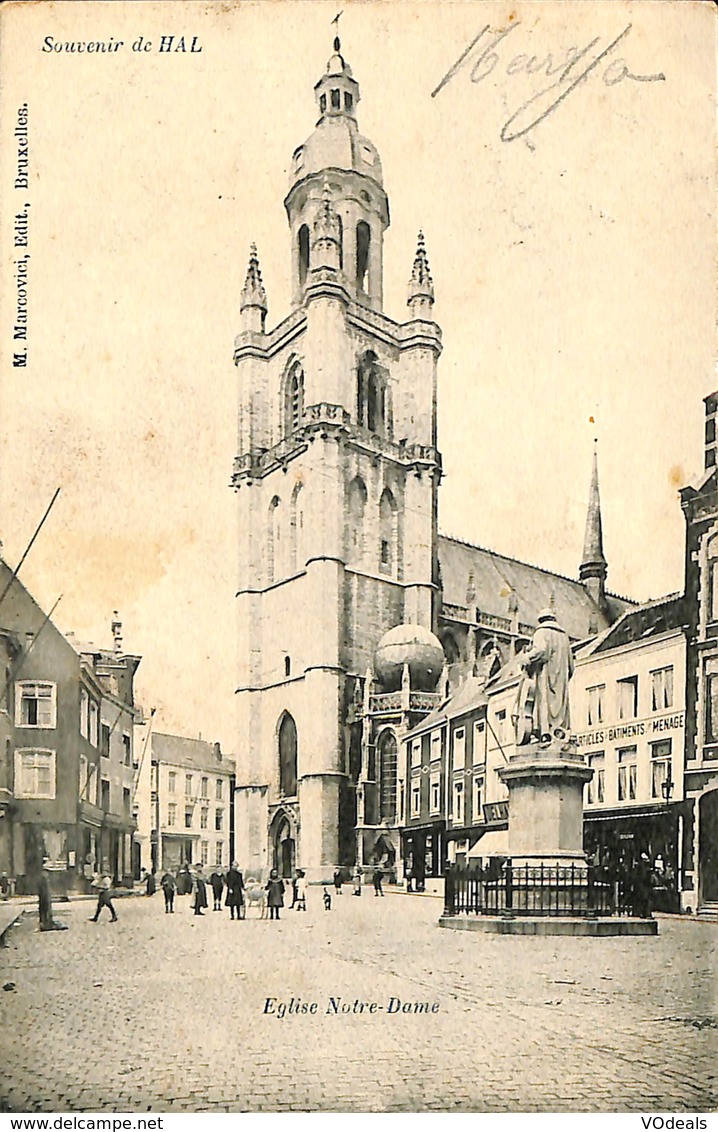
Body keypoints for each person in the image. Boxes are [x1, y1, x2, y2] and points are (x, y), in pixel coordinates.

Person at [516, 609, 574, 744]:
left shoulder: (541, 632)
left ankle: (544, 732)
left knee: (543, 704)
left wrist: (526, 658)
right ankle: (559, 732)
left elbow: (541, 650)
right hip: (561, 684)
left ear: (540, 620)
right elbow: (571, 666)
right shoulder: (564, 637)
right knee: (560, 712)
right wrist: (562, 678)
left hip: (544, 677)